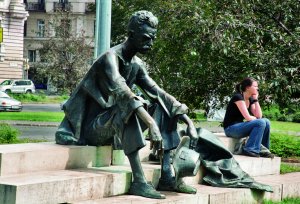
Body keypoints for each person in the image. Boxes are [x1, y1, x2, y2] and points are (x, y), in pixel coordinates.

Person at [55, 10, 198, 199]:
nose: (151, 43)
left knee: (161, 105)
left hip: (112, 129)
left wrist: (189, 122)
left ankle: (167, 176)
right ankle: (139, 181)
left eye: (153, 38)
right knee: (127, 106)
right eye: (147, 38)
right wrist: (151, 124)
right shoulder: (109, 58)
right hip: (91, 130)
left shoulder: (136, 63)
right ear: (132, 35)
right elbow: (123, 93)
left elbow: (158, 93)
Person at [223, 77, 274, 158]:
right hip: (230, 129)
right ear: (247, 87)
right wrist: (256, 119)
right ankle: (250, 149)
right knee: (260, 122)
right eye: (255, 86)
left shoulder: (250, 99)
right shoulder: (238, 97)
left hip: (240, 127)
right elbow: (247, 117)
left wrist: (256, 100)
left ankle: (263, 149)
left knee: (266, 121)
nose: (258, 89)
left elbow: (259, 116)